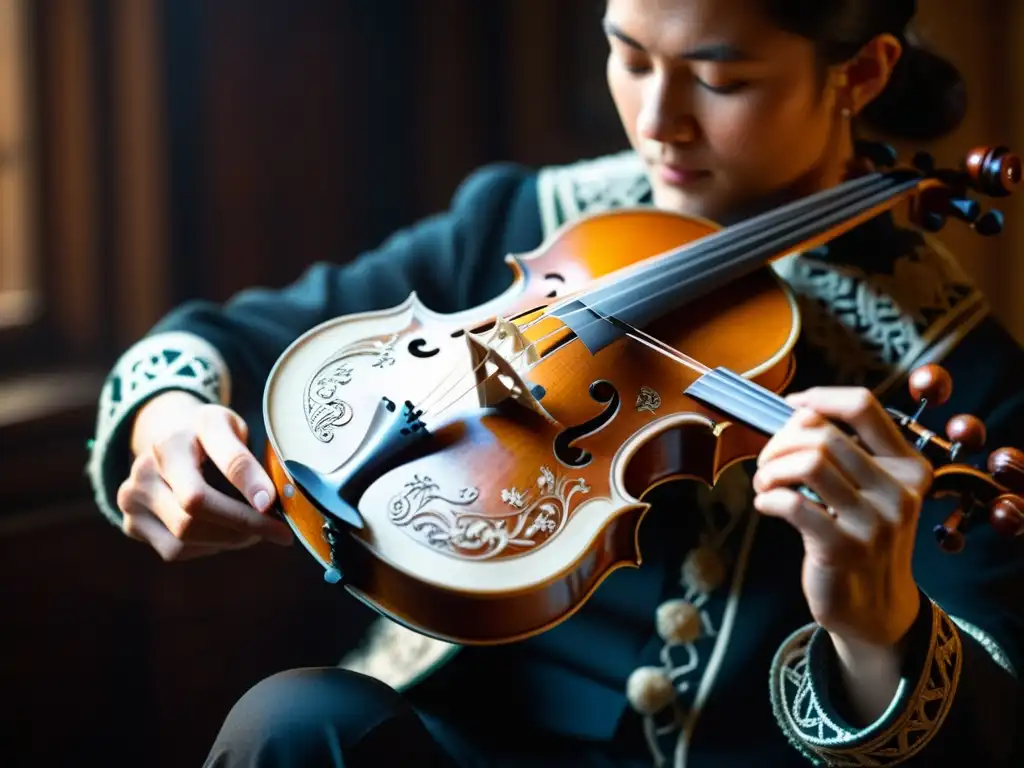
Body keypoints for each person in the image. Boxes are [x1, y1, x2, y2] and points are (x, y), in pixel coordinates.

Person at [86, 0, 1024, 765]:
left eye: (719, 78)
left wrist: (874, 630)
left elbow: (995, 721)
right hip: (463, 745)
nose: (658, 123)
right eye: (628, 55)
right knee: (296, 723)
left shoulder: (951, 379)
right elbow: (224, 340)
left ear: (858, 73)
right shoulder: (544, 225)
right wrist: (169, 420)